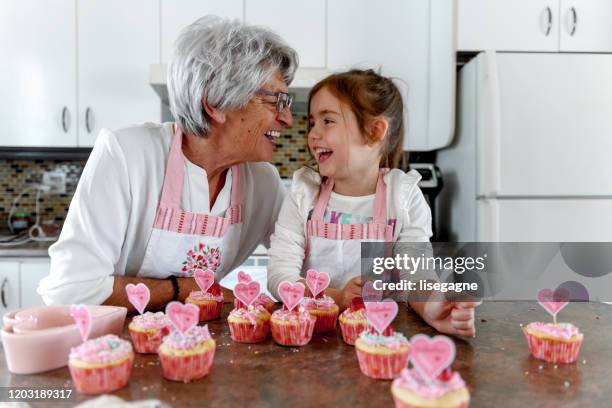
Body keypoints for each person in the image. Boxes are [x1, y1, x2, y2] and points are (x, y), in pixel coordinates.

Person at [38, 16, 297, 311]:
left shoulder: (263, 181)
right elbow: (70, 288)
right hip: (116, 347)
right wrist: (183, 290)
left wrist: (358, 176)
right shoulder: (127, 155)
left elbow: (318, 259)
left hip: (200, 346)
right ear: (215, 102)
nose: (287, 118)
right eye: (275, 100)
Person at [267, 69, 479, 337]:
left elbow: (418, 277)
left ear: (374, 131)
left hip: (384, 337)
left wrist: (434, 307)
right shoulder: (303, 193)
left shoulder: (402, 197)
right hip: (316, 338)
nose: (312, 134)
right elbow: (279, 276)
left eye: (328, 121)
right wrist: (335, 296)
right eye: (312, 123)